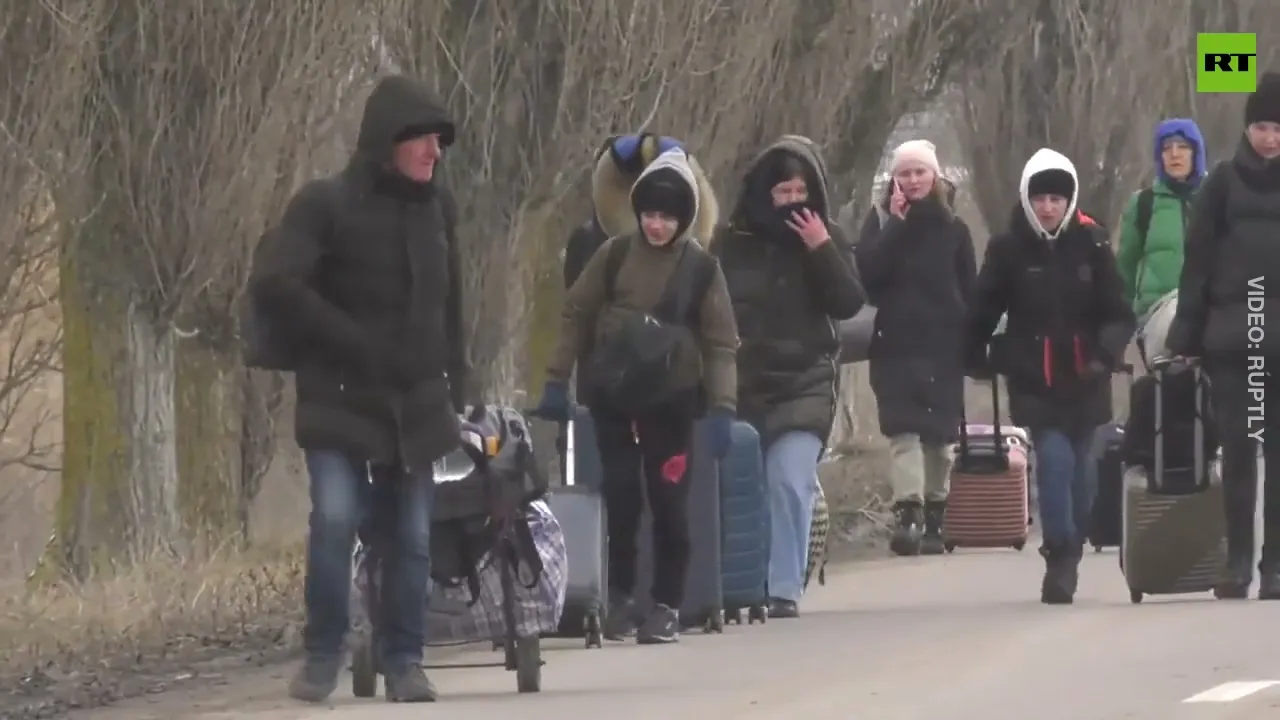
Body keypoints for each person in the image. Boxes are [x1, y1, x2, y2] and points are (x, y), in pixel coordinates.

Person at [250, 75, 466, 703]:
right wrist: (351, 339)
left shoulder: (439, 210)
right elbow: (277, 284)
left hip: (419, 402)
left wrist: (462, 384)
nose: (434, 151)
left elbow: (455, 306)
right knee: (337, 520)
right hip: (339, 395)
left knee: (414, 535)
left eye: (439, 140)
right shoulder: (326, 205)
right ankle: (323, 655)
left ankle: (405, 661)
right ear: (386, 141)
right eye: (422, 139)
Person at [532, 148, 739, 643]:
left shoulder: (702, 269)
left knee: (670, 506)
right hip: (614, 401)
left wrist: (723, 408)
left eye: (668, 216)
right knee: (621, 501)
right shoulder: (615, 255)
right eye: (649, 213)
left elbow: (721, 342)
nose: (657, 225)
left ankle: (667, 603)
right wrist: (556, 381)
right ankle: (621, 597)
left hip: (672, 406)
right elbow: (576, 314)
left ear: (684, 217)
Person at [966, 148, 1135, 605]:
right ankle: (1059, 554)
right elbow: (983, 308)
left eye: (1056, 198)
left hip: (1087, 377)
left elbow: (1119, 313)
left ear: (1070, 200)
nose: (1047, 207)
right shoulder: (1008, 248)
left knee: (1083, 473)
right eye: (1039, 197)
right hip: (1033, 379)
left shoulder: (1093, 243)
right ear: (1027, 199)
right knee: (1055, 462)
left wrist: (1105, 352)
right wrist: (975, 355)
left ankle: (1074, 542)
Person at [710, 135, 864, 618]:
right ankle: (744, 585)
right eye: (783, 194)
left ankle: (783, 589)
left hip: (806, 381)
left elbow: (848, 303)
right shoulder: (731, 244)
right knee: (745, 485)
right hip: (744, 382)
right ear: (764, 193)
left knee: (788, 479)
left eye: (801, 193)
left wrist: (820, 249)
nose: (793, 204)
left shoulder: (827, 237)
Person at [1166, 71, 1280, 600]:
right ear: (1247, 129)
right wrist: (1186, 335)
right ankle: (1237, 561)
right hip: (1235, 340)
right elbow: (1198, 264)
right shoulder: (1222, 185)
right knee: (1238, 451)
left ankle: (1274, 565)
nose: (1271, 138)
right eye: (1262, 126)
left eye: (1279, 128)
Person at [854, 140, 976, 556]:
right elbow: (866, 279)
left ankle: (936, 513)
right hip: (895, 343)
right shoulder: (881, 224)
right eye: (904, 174)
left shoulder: (955, 230)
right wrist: (895, 226)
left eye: (919, 172)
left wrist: (975, 341)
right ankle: (908, 514)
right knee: (902, 430)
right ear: (894, 180)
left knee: (939, 438)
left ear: (935, 177)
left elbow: (970, 288)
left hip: (943, 343)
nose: (912, 180)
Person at [1116, 118, 1207, 321]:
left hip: (1205, 317)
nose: (1174, 153)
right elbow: (1125, 267)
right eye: (1166, 148)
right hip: (1153, 318)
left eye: (1183, 146)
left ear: (1196, 153)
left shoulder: (1216, 198)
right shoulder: (1143, 202)